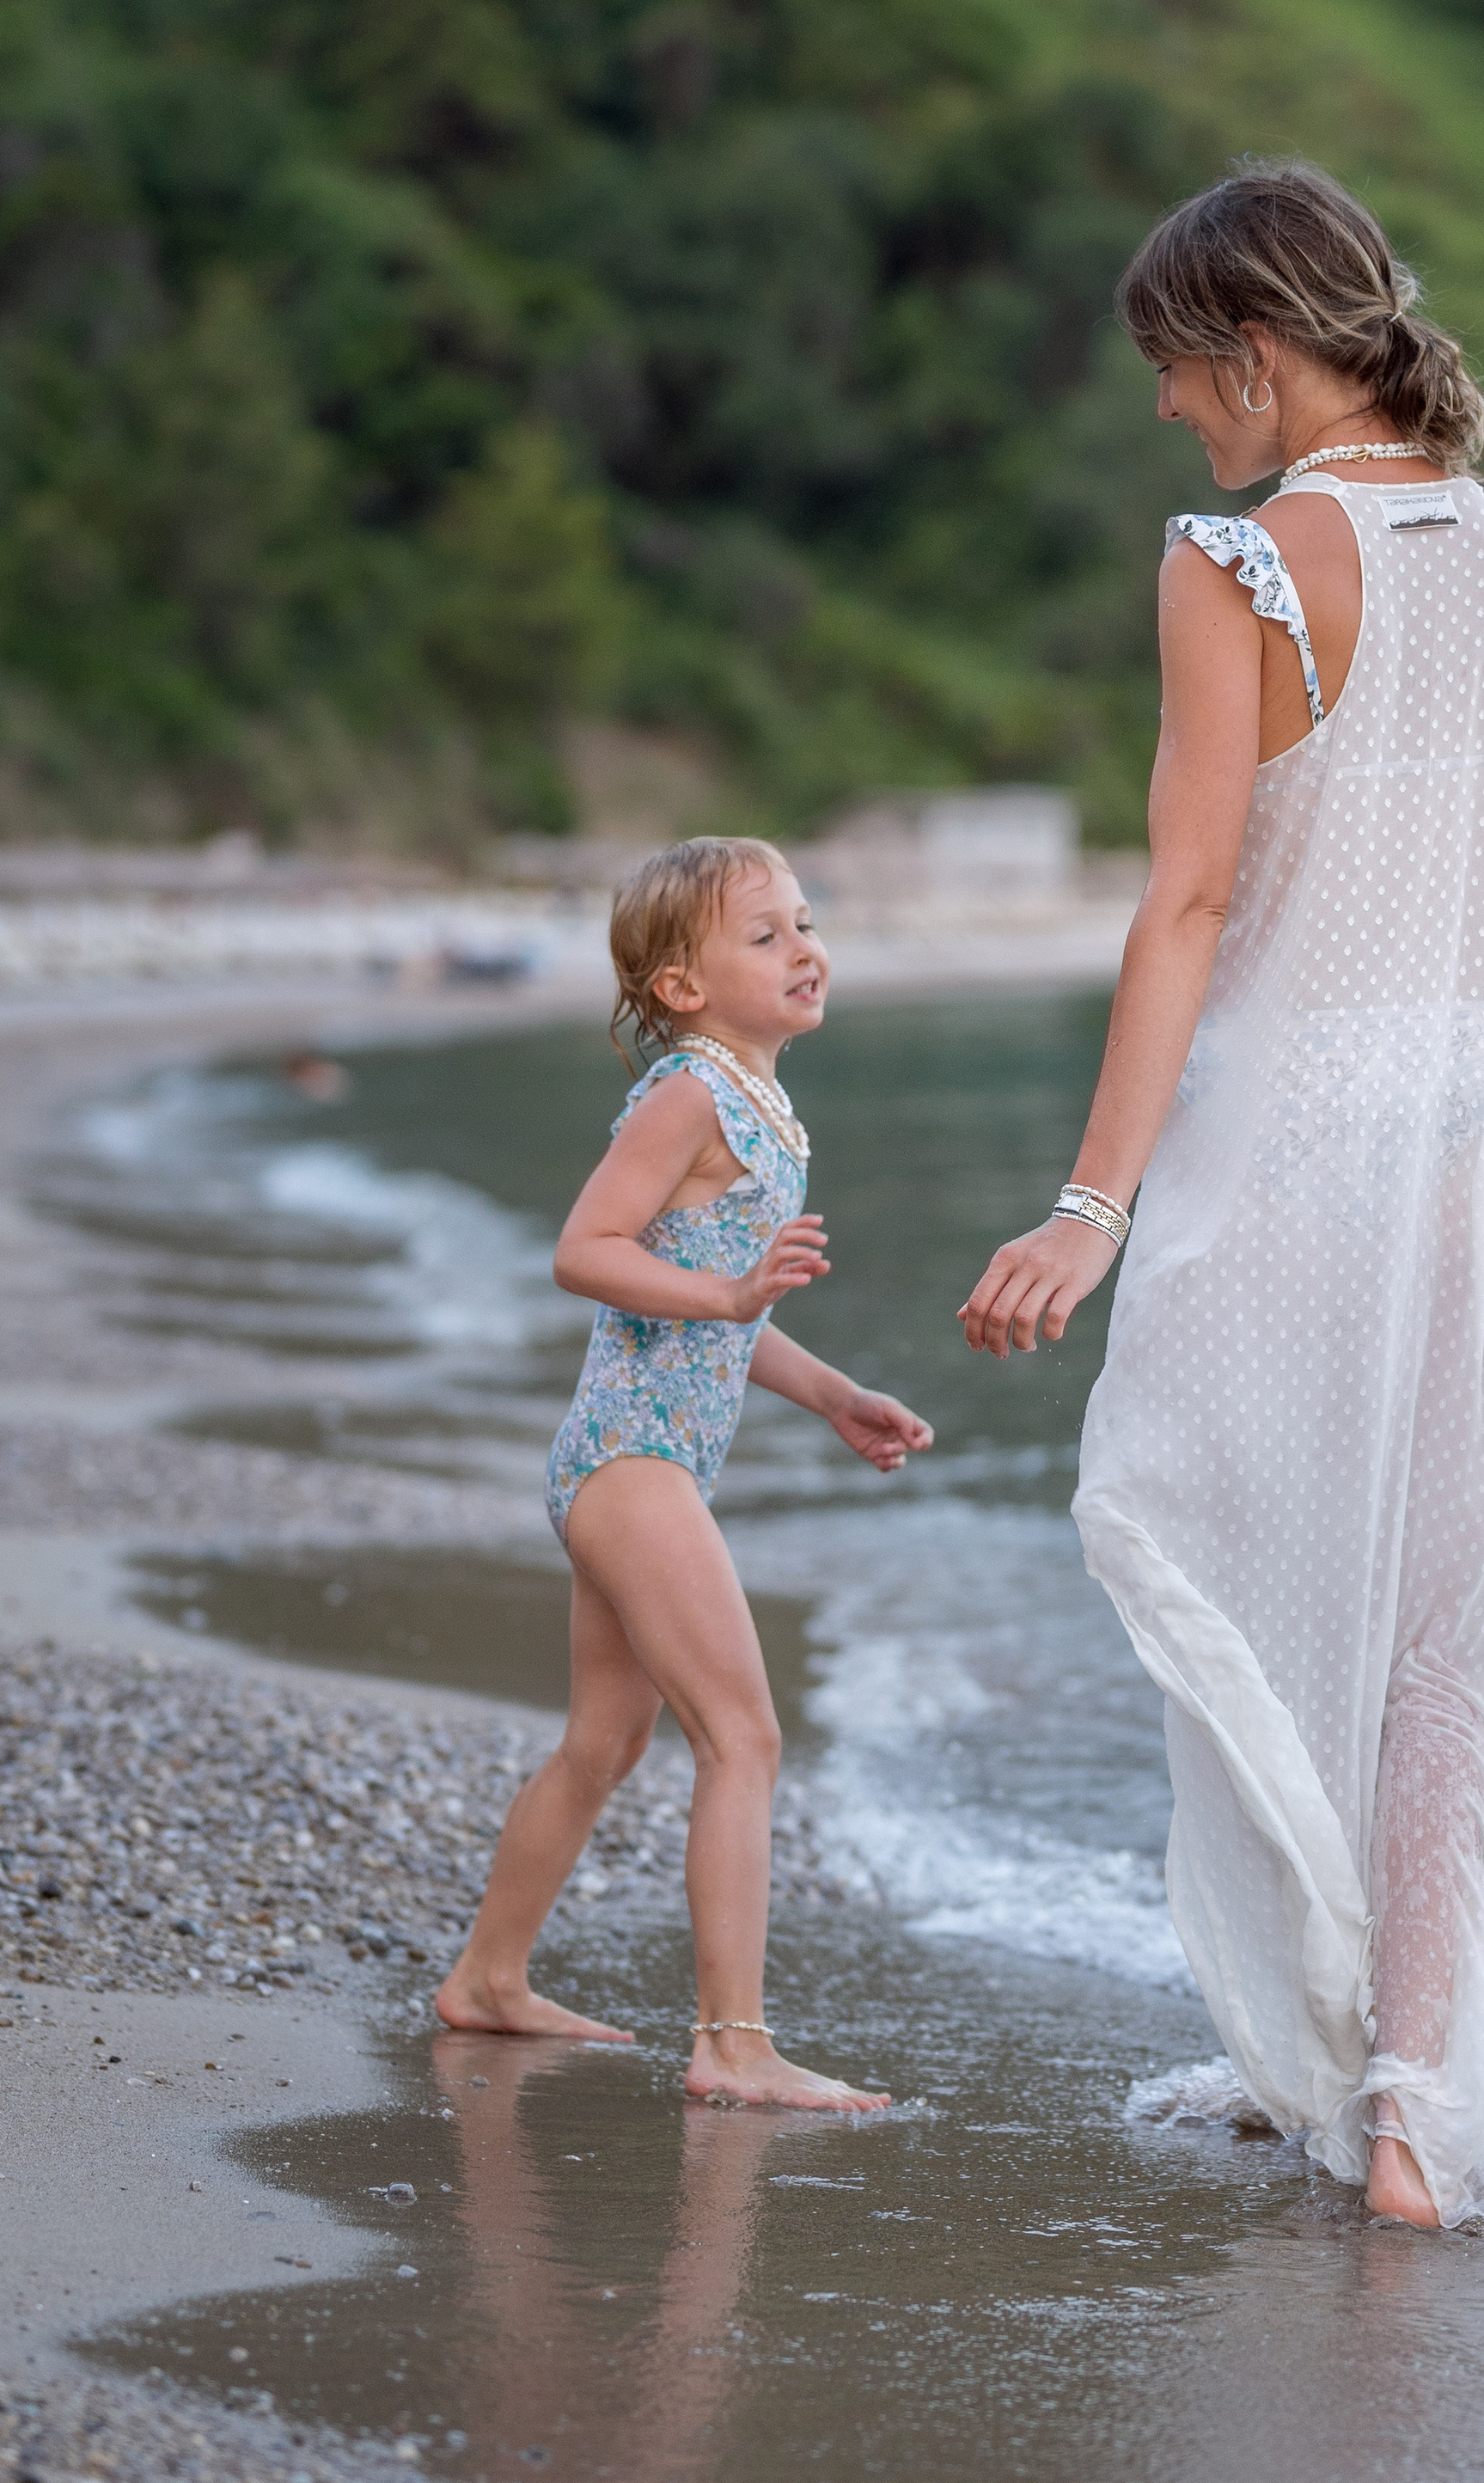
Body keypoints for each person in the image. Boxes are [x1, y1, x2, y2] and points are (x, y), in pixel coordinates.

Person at [960, 162, 1484, 2230]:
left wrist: (1088, 1206)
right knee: (1450, 1645)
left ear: (1257, 355)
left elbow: (1184, 904)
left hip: (1284, 1172)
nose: (1167, 409)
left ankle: (1335, 2024)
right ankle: (1405, 2110)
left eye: (1176, 371)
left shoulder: (1242, 565)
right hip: (1483, 1176)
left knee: (1236, 1572)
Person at [437, 836, 932, 2111]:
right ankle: (733, 2044)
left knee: (606, 1742)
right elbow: (586, 1250)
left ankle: (488, 1979)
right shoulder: (690, 1095)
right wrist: (726, 1292)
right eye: (765, 936)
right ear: (682, 987)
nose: (805, 949)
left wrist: (835, 1395)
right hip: (634, 1463)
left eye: (805, 922)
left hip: (638, 1466)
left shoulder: (759, 1102)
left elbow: (725, 1312)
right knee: (744, 1737)